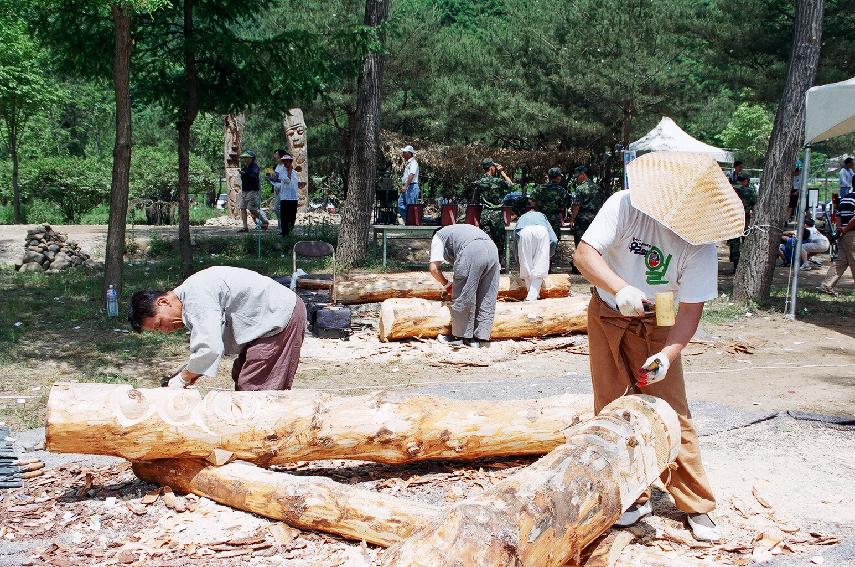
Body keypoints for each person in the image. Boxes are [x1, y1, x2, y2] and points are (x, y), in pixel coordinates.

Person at [573, 152, 745, 543]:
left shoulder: (698, 245)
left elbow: (690, 309)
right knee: (612, 404)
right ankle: (634, 497)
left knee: (672, 409)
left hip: (661, 312)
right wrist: (622, 289)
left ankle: (696, 503)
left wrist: (668, 355)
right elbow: (584, 255)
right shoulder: (625, 204)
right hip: (608, 309)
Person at [128, 266, 307, 391]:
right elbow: (210, 347)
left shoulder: (196, 295)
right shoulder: (192, 299)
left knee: (255, 388)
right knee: (240, 375)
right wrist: (187, 375)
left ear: (163, 302)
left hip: (280, 315)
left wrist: (183, 378)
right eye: (159, 330)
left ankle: (262, 442)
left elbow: (210, 348)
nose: (165, 331)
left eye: (160, 324)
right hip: (267, 321)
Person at [428, 224, 500, 348]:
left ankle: (459, 337)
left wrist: (446, 284)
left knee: (463, 294)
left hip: (472, 251)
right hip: (492, 249)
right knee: (487, 294)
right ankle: (479, 338)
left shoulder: (438, 236)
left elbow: (434, 269)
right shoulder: (460, 231)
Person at [511, 198, 558, 301]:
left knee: (526, 264)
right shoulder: (542, 216)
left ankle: (531, 294)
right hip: (542, 231)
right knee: (540, 264)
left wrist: (518, 257)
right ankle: (533, 295)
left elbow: (515, 238)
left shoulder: (522, 217)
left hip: (524, 232)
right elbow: (553, 239)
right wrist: (548, 255)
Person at [474, 158, 515, 254]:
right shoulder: (497, 181)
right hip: (496, 216)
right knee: (499, 242)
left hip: (484, 215)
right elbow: (511, 185)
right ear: (492, 168)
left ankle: (485, 264)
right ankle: (498, 265)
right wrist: (501, 172)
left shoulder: (479, 182)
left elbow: (474, 200)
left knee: (484, 241)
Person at [819, 189, 855, 295]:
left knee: (840, 262)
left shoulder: (845, 198)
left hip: (844, 234)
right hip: (852, 234)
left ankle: (826, 285)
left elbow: (838, 215)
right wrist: (846, 229)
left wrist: (840, 230)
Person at [569, 165, 606, 248]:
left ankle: (581, 260)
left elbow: (576, 206)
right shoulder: (598, 187)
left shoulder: (580, 188)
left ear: (583, 175)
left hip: (583, 221)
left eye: (577, 176)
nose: (576, 178)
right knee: (593, 244)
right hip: (596, 220)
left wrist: (572, 220)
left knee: (580, 245)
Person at [728, 173, 756, 272]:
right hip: (745, 219)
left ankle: (735, 265)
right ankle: (746, 266)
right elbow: (755, 202)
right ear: (746, 180)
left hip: (733, 219)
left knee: (734, 244)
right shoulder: (748, 190)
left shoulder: (730, 189)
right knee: (746, 242)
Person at [531, 167, 570, 236]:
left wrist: (539, 208)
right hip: (555, 221)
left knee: (540, 241)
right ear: (558, 177)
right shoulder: (562, 191)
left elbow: (532, 202)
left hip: (541, 219)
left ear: (549, 177)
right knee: (553, 241)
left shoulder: (539, 188)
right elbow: (564, 207)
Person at [238, 150, 268, 232]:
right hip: (244, 190)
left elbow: (254, 176)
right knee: (242, 208)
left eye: (247, 157)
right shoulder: (244, 167)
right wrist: (243, 174)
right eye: (244, 158)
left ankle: (264, 221)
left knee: (252, 209)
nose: (245, 159)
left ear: (252, 158)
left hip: (253, 190)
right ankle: (245, 227)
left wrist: (244, 174)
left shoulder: (255, 166)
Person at [269, 153, 299, 236]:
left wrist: (290, 172)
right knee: (285, 215)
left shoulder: (294, 172)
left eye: (287, 162)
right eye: (284, 161)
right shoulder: (282, 171)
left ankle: (290, 231)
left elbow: (295, 184)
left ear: (290, 162)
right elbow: (287, 180)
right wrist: (288, 172)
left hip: (293, 197)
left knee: (292, 216)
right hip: (285, 197)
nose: (285, 163)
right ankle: (284, 232)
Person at [398, 145, 420, 223]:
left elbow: (412, 174)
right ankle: (408, 222)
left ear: (409, 153)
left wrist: (405, 186)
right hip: (407, 186)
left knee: (411, 207)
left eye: (404, 152)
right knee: (400, 204)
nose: (403, 154)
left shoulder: (414, 163)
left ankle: (413, 224)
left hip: (411, 186)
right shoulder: (408, 163)